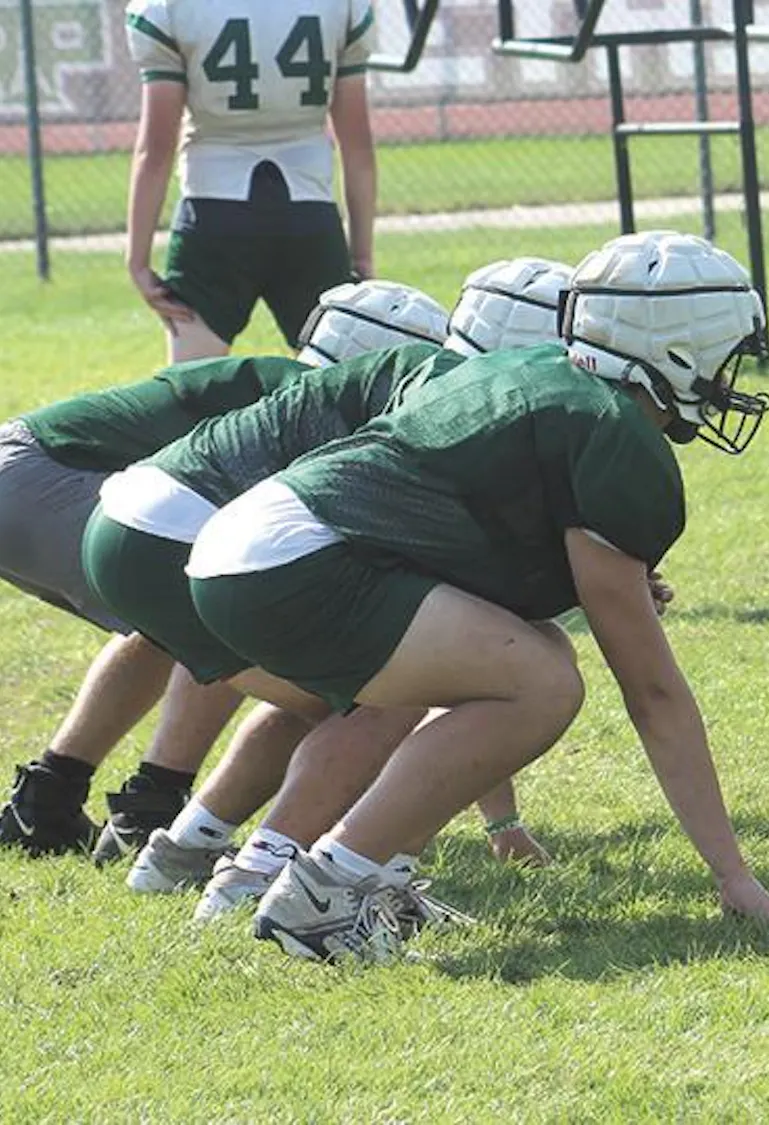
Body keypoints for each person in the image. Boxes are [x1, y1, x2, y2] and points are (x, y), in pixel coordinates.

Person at [184, 230, 769, 962]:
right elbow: (653, 692)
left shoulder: (542, 376)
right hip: (300, 556)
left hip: (253, 546)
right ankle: (327, 889)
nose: (728, 379)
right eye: (724, 355)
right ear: (680, 349)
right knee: (543, 683)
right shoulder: (614, 435)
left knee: (532, 652)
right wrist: (733, 873)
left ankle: (366, 876)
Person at [84, 259, 572, 911]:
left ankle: (186, 850)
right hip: (188, 535)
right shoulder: (462, 410)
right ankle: (270, 875)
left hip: (129, 522)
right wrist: (501, 821)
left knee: (330, 688)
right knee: (386, 694)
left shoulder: (417, 383)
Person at [0, 280, 447, 861]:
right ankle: (153, 803)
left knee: (167, 622)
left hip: (27, 479)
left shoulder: (276, 381)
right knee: (230, 597)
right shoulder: (311, 404)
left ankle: (47, 802)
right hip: (41, 482)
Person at [124, 0, 377, 362]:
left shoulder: (167, 9)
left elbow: (155, 150)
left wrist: (137, 259)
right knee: (336, 386)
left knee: (194, 394)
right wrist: (362, 254)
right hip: (309, 216)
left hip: (213, 215)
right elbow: (358, 147)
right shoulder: (343, 7)